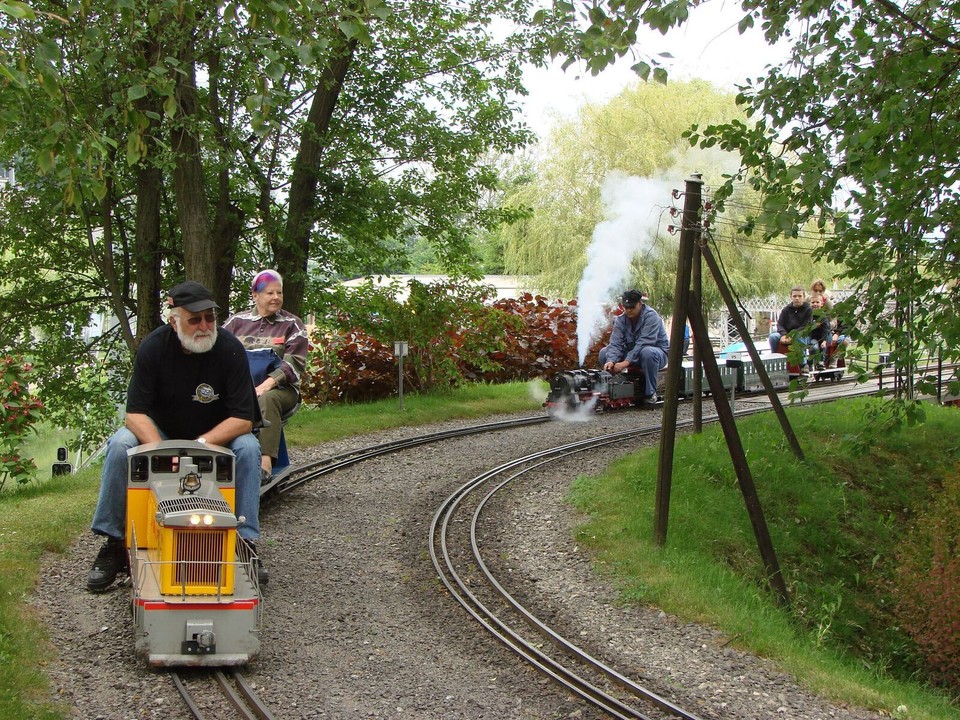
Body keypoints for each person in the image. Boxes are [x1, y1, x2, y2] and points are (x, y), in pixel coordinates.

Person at [87, 281, 267, 592]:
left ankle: (245, 540)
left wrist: (199, 446)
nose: (204, 326)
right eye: (194, 319)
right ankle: (113, 541)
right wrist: (159, 449)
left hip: (217, 436)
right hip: (161, 432)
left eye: (209, 317)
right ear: (174, 320)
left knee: (249, 449)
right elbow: (134, 414)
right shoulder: (153, 348)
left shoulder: (230, 349)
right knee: (120, 446)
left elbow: (243, 419)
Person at [223, 270, 309, 482]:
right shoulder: (235, 323)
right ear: (255, 295)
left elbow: (294, 364)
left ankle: (265, 464)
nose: (276, 297)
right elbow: (218, 356)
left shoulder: (293, 324)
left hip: (281, 390)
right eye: (270, 293)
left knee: (266, 399)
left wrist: (266, 385)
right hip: (241, 389)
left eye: (279, 293)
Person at [597, 289, 669, 405]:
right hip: (632, 353)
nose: (629, 310)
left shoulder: (652, 317)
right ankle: (612, 389)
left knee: (647, 352)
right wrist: (611, 360)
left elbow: (644, 343)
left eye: (632, 307)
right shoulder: (620, 320)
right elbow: (615, 343)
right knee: (604, 352)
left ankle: (650, 393)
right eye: (626, 307)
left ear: (640, 304)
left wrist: (625, 363)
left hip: (655, 354)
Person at [768, 286, 813, 354]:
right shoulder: (786, 310)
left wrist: (792, 336)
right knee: (773, 337)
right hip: (786, 334)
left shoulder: (808, 310)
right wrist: (784, 335)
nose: (797, 298)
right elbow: (780, 324)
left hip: (801, 335)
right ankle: (775, 357)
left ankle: (802, 363)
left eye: (799, 296)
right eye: (794, 296)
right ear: (791, 297)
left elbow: (806, 326)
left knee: (799, 340)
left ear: (804, 297)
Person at [808, 294, 832, 369]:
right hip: (813, 337)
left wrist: (824, 341)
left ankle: (821, 362)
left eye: (817, 302)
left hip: (823, 336)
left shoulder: (823, 316)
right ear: (810, 304)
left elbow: (825, 329)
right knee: (813, 347)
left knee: (822, 346)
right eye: (813, 302)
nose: (815, 304)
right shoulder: (809, 316)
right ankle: (810, 363)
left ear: (821, 304)